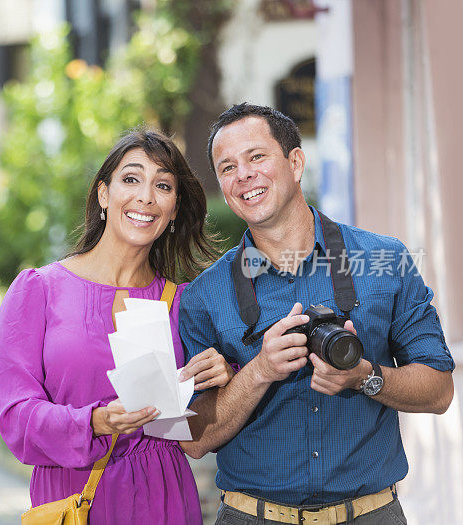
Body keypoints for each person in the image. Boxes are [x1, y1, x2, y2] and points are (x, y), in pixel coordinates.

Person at [177, 103, 455, 525]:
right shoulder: (204, 295)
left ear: (295, 162)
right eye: (227, 167)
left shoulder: (385, 260)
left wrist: (364, 377)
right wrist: (260, 370)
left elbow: (440, 391)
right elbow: (194, 440)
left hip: (371, 514)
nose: (243, 176)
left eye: (256, 157)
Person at [0, 128, 235, 524]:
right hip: (74, 498)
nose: (146, 197)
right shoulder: (40, 290)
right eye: (131, 179)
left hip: (165, 501)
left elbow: (200, 424)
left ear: (173, 210)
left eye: (163, 186)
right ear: (104, 195)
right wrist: (94, 422)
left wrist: (222, 375)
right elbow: (15, 416)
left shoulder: (186, 302)